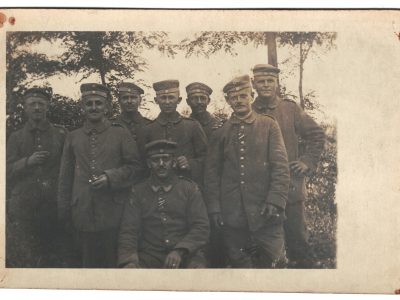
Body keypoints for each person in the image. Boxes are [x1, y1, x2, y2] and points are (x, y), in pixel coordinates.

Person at [204, 75, 290, 268]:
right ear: (227, 101)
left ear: (251, 96)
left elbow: (281, 167)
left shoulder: (268, 125)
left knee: (276, 262)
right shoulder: (220, 133)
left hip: (266, 212)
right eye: (233, 97)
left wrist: (275, 201)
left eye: (243, 96)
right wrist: (215, 208)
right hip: (233, 214)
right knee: (240, 265)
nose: (239, 101)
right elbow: (212, 175)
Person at [57, 83, 144, 268]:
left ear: (107, 107)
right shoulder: (73, 136)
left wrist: (110, 177)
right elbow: (65, 178)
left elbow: (136, 168)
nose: (94, 107)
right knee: (87, 268)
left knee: (113, 267)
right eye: (89, 104)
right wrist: (64, 212)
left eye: (99, 103)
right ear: (83, 107)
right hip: (82, 214)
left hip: (114, 214)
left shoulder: (120, 133)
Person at [251, 64, 326, 268]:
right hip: (261, 191)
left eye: (270, 81)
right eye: (261, 81)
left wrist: (307, 161)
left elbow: (317, 134)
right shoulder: (248, 112)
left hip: (291, 188)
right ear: (253, 84)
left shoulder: (290, 109)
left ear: (276, 83)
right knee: (264, 248)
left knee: (297, 241)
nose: (265, 85)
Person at [118, 139, 210, 268]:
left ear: (173, 162)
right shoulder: (138, 191)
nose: (161, 164)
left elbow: (201, 227)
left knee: (198, 273)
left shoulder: (189, 189)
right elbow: (129, 230)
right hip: (150, 255)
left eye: (165, 159)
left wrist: (180, 250)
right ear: (149, 164)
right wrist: (129, 261)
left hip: (186, 254)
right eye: (156, 160)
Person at [6, 87, 68, 267]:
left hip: (54, 205)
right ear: (25, 108)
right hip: (25, 208)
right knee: (29, 258)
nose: (37, 108)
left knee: (57, 255)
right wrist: (27, 162)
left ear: (48, 107)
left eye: (41, 104)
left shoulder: (61, 134)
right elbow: (6, 170)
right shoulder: (15, 138)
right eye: (32, 104)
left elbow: (70, 167)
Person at [137, 80, 208, 185]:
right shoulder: (147, 129)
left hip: (187, 186)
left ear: (178, 100)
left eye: (171, 97)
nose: (167, 102)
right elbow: (141, 162)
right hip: (157, 187)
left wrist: (191, 164)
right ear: (156, 100)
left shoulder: (192, 126)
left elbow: (206, 157)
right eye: (163, 98)